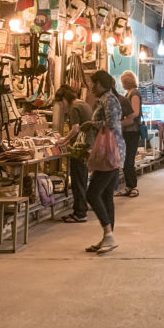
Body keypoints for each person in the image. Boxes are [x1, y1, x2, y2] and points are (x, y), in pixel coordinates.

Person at [80, 70, 124, 254]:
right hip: (111, 153)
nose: (91, 88)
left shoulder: (109, 99)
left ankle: (109, 235)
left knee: (92, 193)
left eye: (93, 84)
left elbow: (112, 123)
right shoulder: (107, 99)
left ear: (100, 84)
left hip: (110, 153)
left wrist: (92, 124)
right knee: (106, 196)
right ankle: (107, 237)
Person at [55, 84, 92, 223]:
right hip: (87, 147)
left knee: (78, 181)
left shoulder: (74, 108)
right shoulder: (85, 105)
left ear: (65, 99)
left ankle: (80, 213)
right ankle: (81, 208)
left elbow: (75, 128)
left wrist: (64, 139)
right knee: (82, 179)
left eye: (60, 103)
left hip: (79, 149)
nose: (61, 106)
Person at [117, 71, 142, 198]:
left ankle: (133, 187)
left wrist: (122, 120)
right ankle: (128, 186)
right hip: (127, 131)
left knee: (129, 160)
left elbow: (135, 113)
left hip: (132, 131)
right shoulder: (129, 94)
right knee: (126, 160)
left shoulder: (135, 94)